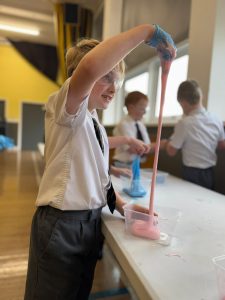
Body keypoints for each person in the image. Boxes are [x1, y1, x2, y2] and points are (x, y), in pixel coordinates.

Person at [24, 23, 176, 300]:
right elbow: (90, 67)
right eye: (106, 77)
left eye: (116, 80)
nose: (113, 88)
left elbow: (98, 175)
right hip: (63, 224)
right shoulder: (66, 105)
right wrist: (147, 33)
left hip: (88, 222)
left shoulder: (91, 119)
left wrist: (123, 205)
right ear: (78, 78)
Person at [162, 80, 225, 189]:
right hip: (209, 173)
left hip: (191, 173)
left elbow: (171, 151)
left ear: (183, 102)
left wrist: (166, 143)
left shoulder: (185, 123)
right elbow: (221, 145)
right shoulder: (216, 119)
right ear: (200, 97)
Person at [113, 91, 151, 168]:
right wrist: (160, 145)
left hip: (136, 163)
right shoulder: (123, 124)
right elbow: (133, 148)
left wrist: (148, 147)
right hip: (122, 164)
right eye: (142, 109)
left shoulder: (141, 125)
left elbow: (147, 145)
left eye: (145, 109)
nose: (144, 112)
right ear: (131, 108)